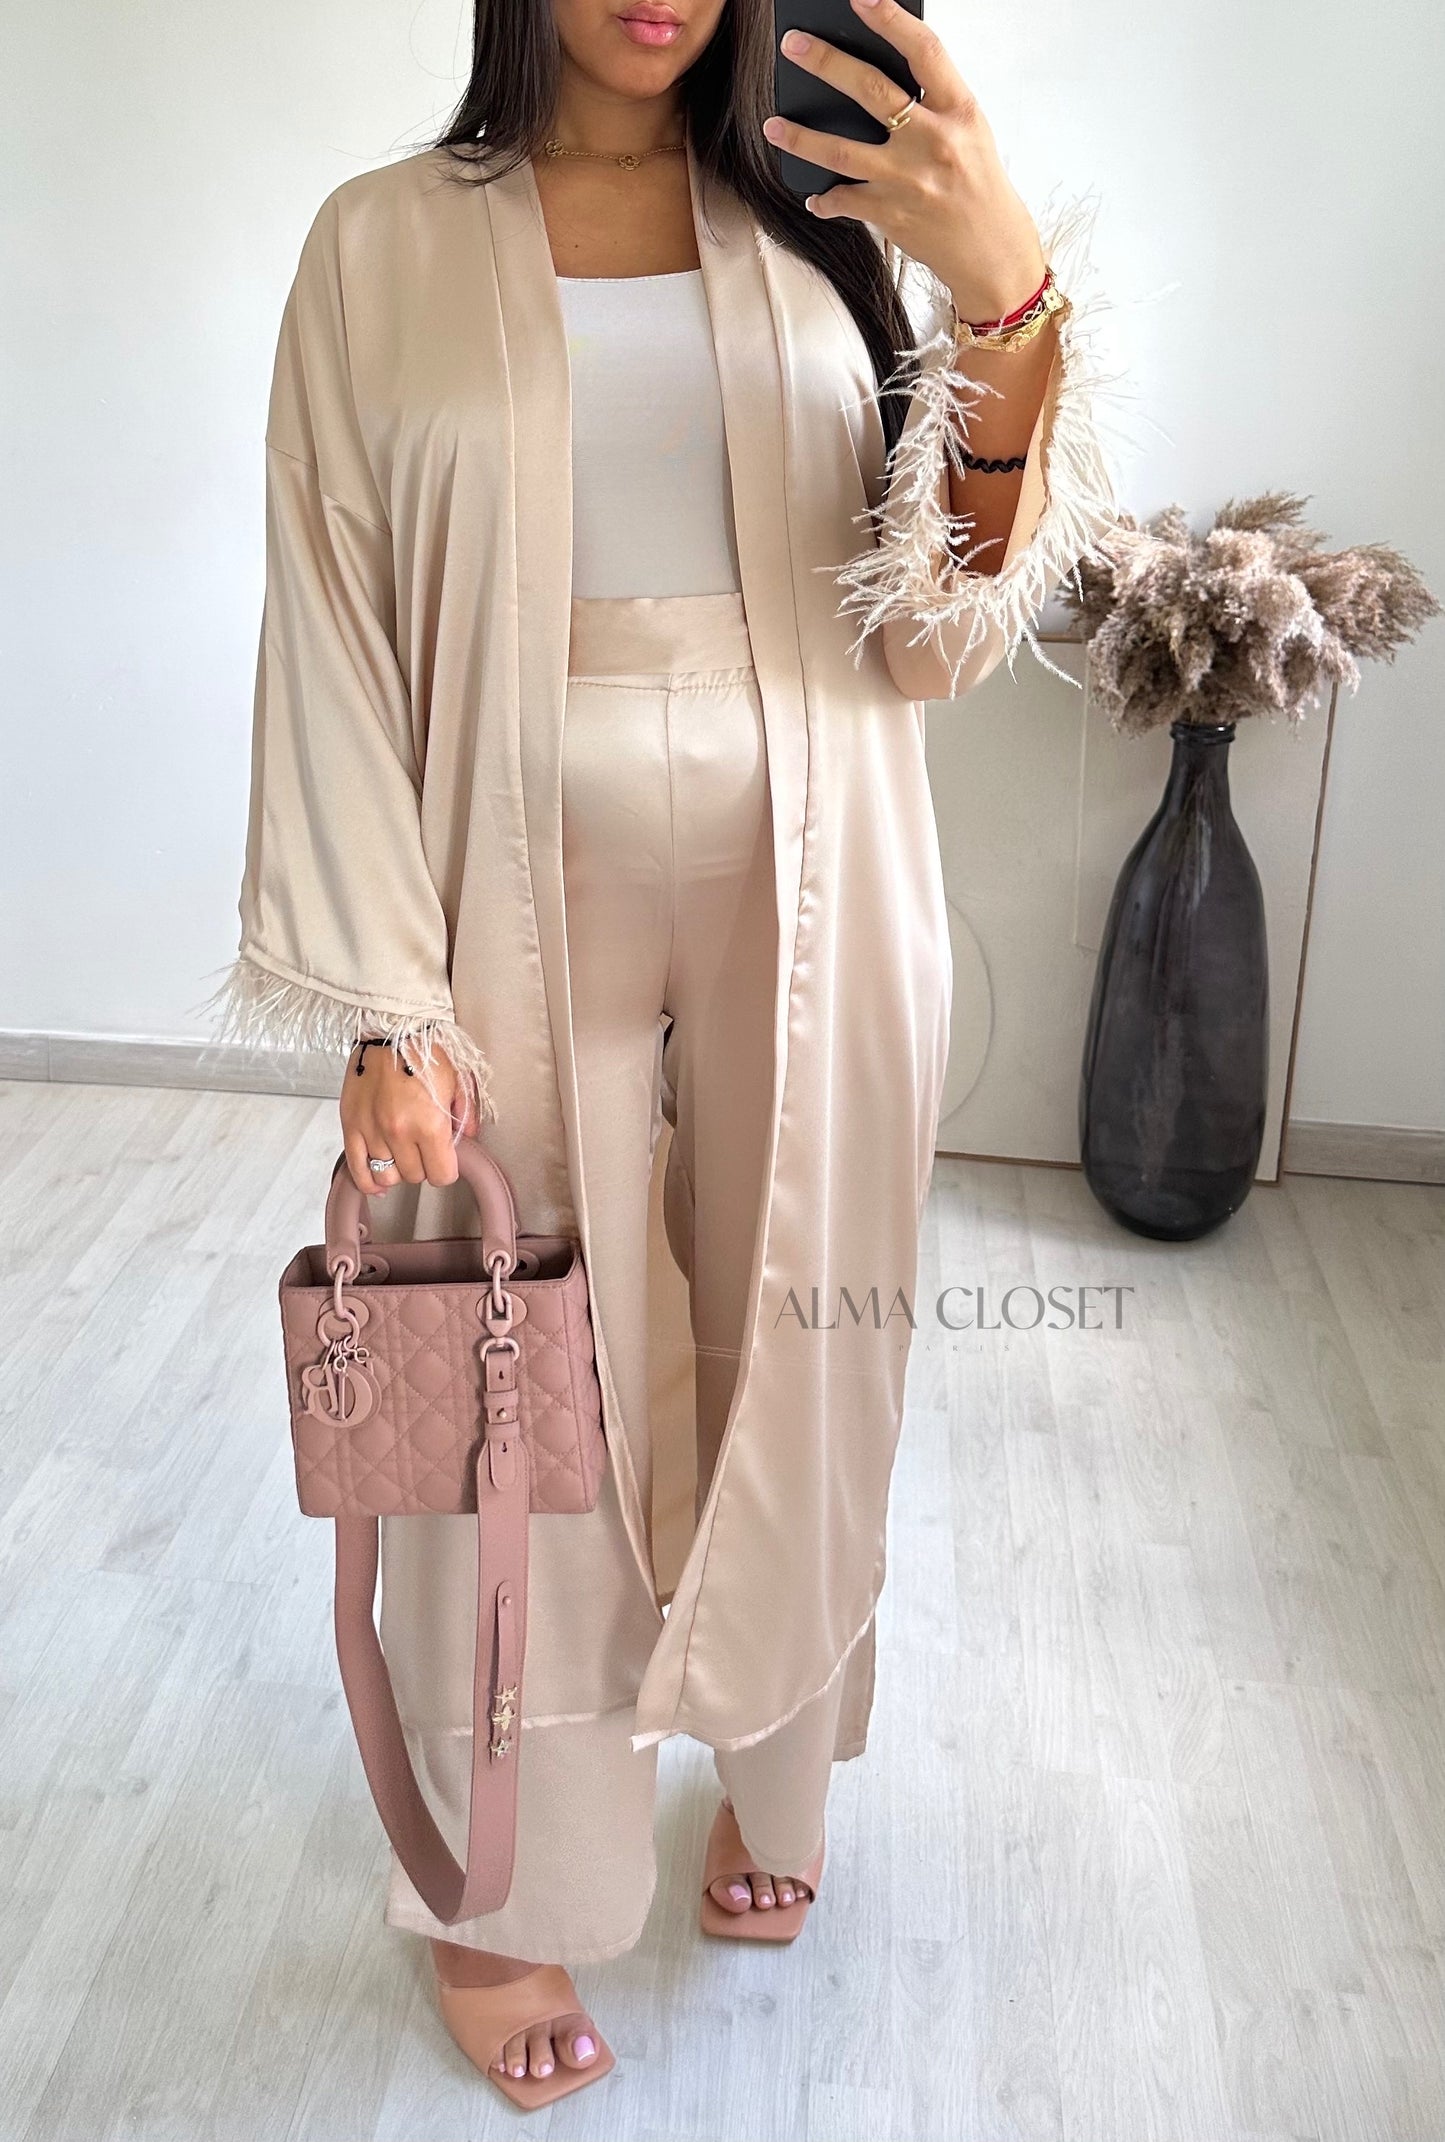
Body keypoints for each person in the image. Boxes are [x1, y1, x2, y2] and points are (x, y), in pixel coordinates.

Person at [207, 0, 1117, 2110]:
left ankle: (774, 1765)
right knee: (506, 1395)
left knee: (797, 1332)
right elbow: (327, 608)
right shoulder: (379, 244)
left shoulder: (819, 226)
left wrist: (1004, 303)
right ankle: (505, 1879)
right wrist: (382, 995)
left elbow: (932, 642)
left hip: (823, 873)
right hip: (492, 884)